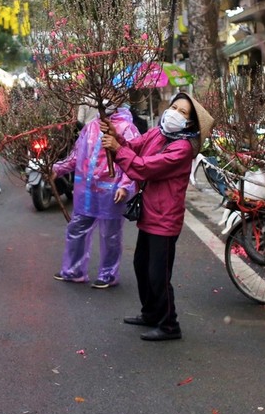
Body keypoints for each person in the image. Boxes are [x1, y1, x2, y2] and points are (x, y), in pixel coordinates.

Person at [101, 92, 213, 341]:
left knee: (158, 275)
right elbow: (134, 148)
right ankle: (151, 313)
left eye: (183, 112)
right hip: (149, 213)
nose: (175, 113)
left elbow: (145, 167)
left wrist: (117, 149)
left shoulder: (182, 148)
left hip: (165, 219)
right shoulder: (158, 133)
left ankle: (170, 325)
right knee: (141, 266)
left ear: (191, 123)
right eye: (174, 107)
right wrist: (116, 136)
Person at [52, 102, 140, 288]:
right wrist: (57, 169)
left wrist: (125, 185)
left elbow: (133, 159)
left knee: (110, 235)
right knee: (76, 229)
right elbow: (77, 155)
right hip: (87, 191)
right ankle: (73, 270)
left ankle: (108, 275)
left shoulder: (126, 129)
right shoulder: (91, 126)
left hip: (111, 192)